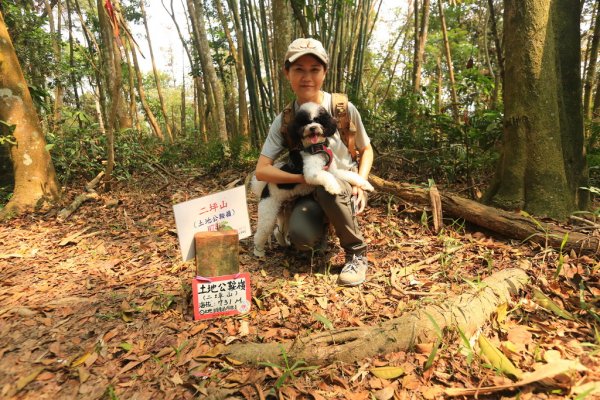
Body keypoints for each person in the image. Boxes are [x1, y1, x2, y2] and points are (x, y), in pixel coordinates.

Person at [254, 38, 374, 286]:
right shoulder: (286, 119)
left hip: (343, 184)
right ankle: (321, 224)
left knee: (327, 185)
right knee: (302, 238)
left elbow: (367, 149)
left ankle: (356, 253)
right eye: (299, 69)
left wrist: (361, 184)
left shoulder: (341, 108)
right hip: (309, 188)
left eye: (314, 69)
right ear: (287, 73)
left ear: (324, 72)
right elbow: (262, 171)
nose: (306, 77)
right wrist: (303, 179)